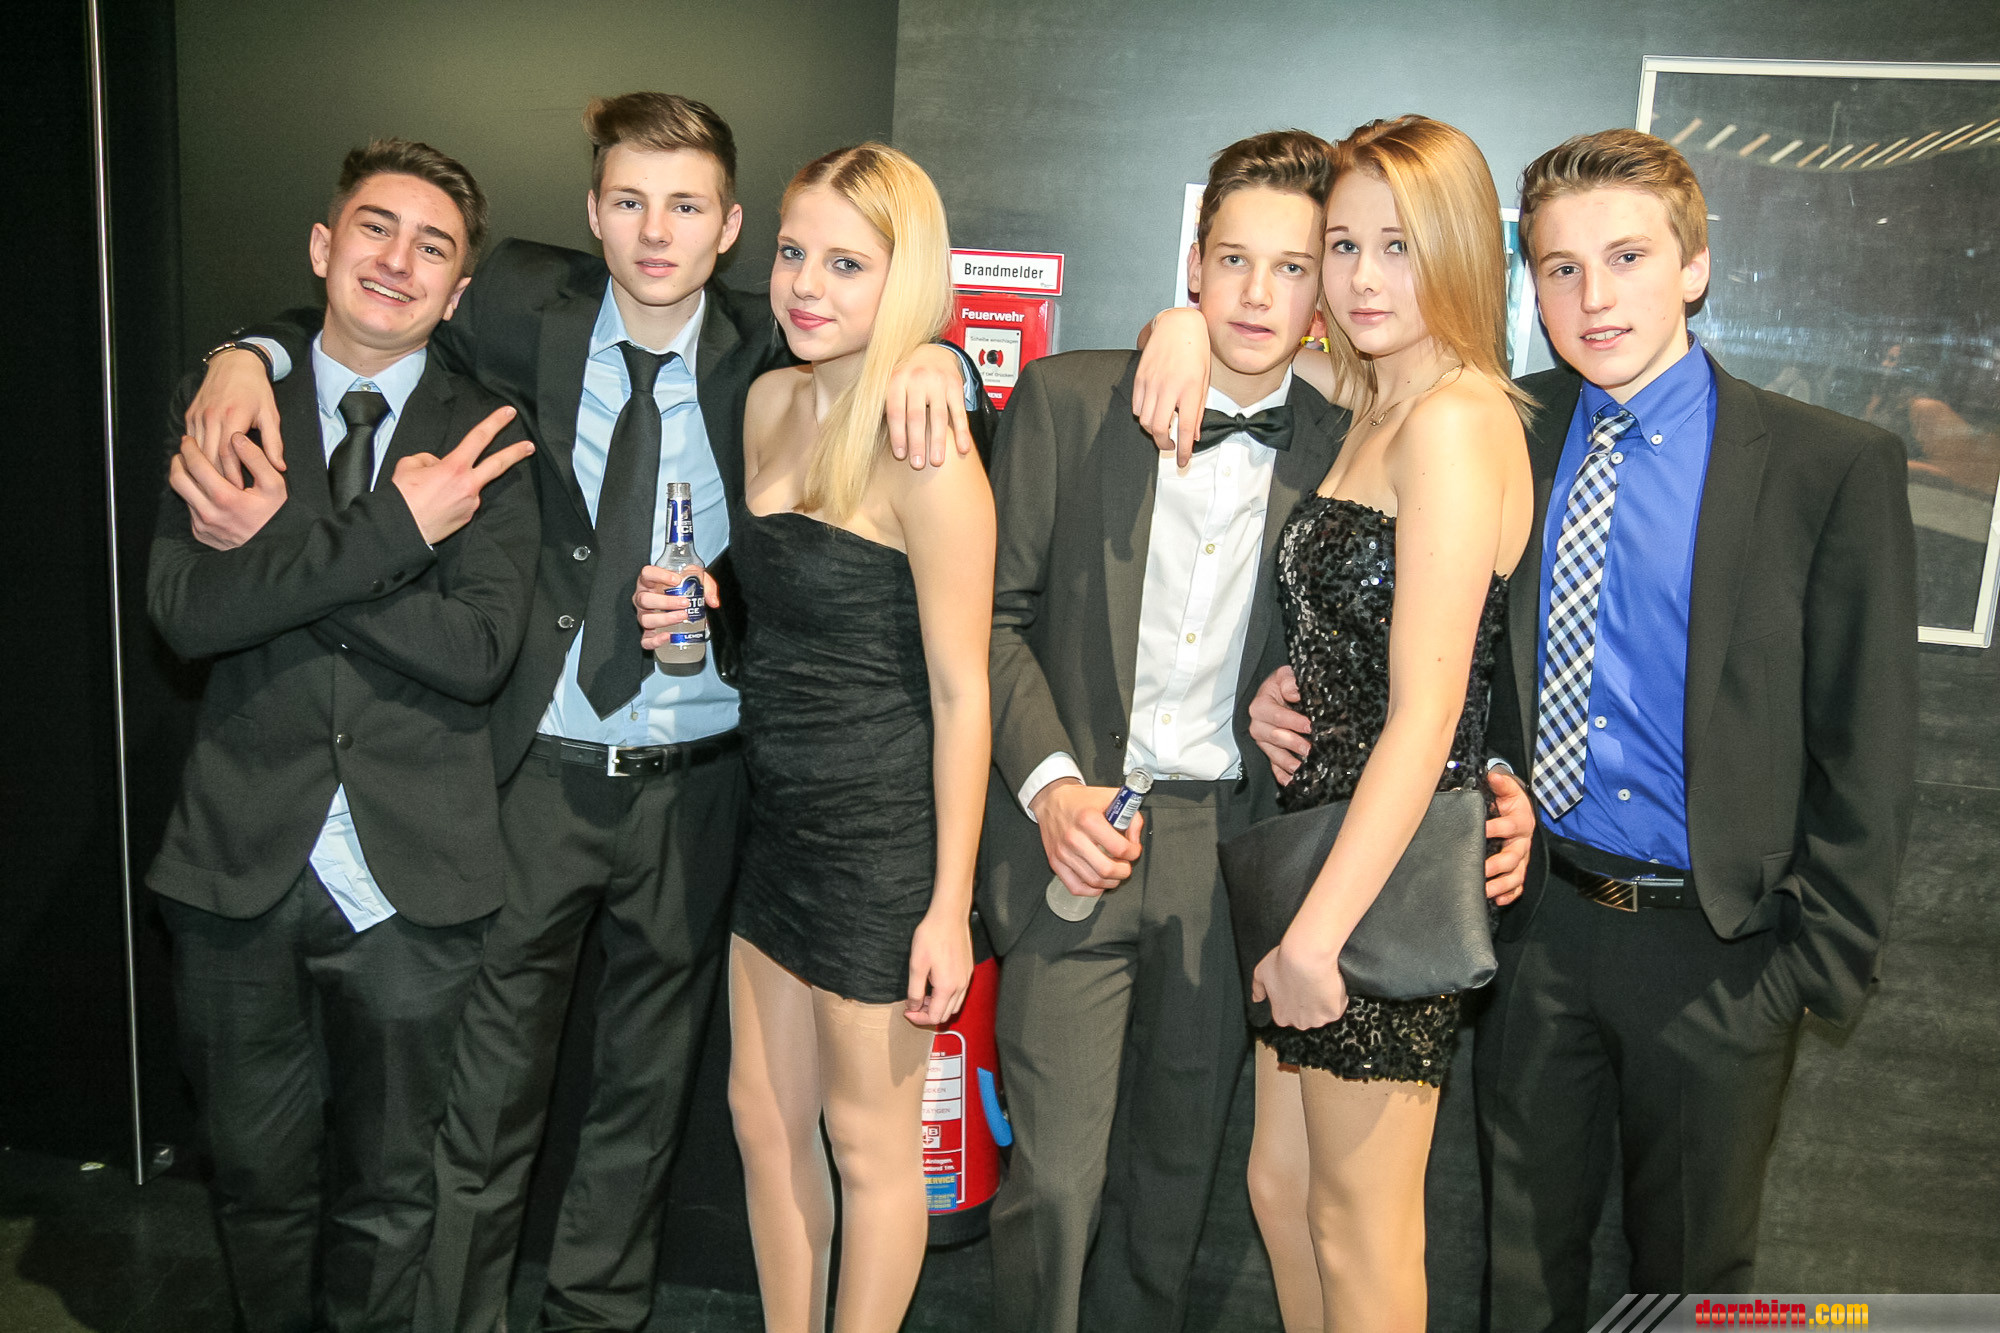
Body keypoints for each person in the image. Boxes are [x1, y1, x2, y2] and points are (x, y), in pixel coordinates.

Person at [176, 94, 983, 1333]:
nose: (656, 233)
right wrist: (250, 350)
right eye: (629, 201)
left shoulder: (769, 349)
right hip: (537, 770)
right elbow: (367, 308)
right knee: (486, 1097)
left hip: (708, 783)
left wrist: (940, 359)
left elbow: (917, 418)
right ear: (592, 211)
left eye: (686, 206)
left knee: (644, 1104)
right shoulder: (513, 305)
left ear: (728, 228)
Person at [1252, 128, 1919, 1328]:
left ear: (1693, 265)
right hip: (1534, 924)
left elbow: (1863, 742)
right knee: (1520, 1271)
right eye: (1560, 268)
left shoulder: (1824, 466)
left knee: (1687, 1278)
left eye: (1625, 257)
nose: (1593, 297)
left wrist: (1803, 963)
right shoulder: (1506, 419)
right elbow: (1449, 640)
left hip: (1717, 947)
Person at [985, 129, 1416, 1333]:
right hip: (1072, 825)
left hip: (1226, 849)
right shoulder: (1067, 400)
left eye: (1291, 268)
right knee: (1054, 1183)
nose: (1255, 296)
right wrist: (1050, 786)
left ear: (1322, 289)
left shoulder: (1344, 448)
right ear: (1191, 261)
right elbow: (990, 618)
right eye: (1232, 261)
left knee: (1170, 1189)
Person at [147, 138, 538, 1333]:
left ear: (456, 292)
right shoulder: (232, 406)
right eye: (375, 228)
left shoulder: (488, 436)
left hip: (415, 886)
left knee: (391, 1196)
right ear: (324, 246)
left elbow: (477, 650)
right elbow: (188, 614)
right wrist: (392, 536)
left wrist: (283, 551)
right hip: (237, 869)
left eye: (432, 247)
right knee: (255, 1186)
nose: (397, 260)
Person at [635, 142, 993, 1333]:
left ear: (905, 276)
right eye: (793, 252)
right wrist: (712, 602)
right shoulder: (769, 400)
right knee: (761, 1117)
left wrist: (946, 906)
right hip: (776, 821)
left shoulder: (929, 447)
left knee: (870, 1145)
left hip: (881, 843)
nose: (804, 284)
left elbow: (962, 693)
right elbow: (781, 601)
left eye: (846, 263)